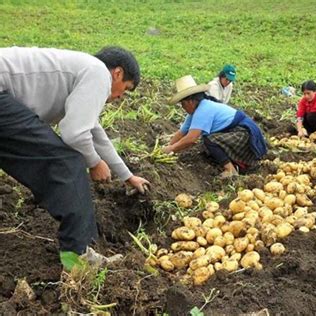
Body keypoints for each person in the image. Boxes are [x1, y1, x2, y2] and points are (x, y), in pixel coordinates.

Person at [0, 46, 150, 271]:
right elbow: (74, 134)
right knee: (68, 162)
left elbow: (95, 134)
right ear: (117, 73)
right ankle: (78, 258)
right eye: (125, 90)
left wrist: (127, 176)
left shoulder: (82, 70)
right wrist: (94, 162)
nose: (119, 97)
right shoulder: (98, 72)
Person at [164, 75, 267, 178]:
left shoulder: (203, 109)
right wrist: (167, 148)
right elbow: (182, 132)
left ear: (190, 102)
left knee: (209, 140)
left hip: (244, 134)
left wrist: (172, 149)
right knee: (208, 143)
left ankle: (230, 170)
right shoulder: (195, 112)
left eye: (183, 104)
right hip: (234, 131)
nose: (183, 108)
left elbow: (191, 139)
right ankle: (232, 163)